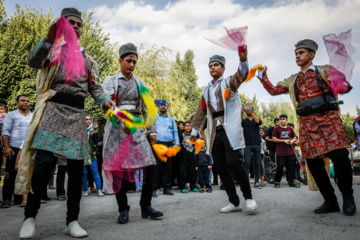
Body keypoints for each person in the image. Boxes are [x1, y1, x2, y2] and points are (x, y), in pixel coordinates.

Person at [17, 8, 115, 239]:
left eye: (79, 24)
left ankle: (72, 221)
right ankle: (30, 217)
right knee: (43, 165)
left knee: (76, 169)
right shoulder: (51, 51)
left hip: (77, 116)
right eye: (70, 22)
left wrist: (105, 101)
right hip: (52, 112)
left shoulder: (89, 60)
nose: (75, 27)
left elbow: (95, 88)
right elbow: (32, 61)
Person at [257, 39, 356, 215]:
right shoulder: (292, 79)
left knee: (340, 155)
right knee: (312, 161)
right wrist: (263, 76)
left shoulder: (325, 70)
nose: (297, 55)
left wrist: (341, 82)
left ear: (312, 54)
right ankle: (330, 200)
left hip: (329, 119)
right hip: (307, 123)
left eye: (301, 52)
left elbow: (344, 88)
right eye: (296, 53)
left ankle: (348, 197)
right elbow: (273, 90)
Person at [102, 43, 163, 224]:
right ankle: (123, 209)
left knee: (150, 164)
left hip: (136, 128)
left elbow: (148, 108)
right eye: (128, 61)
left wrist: (151, 131)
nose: (131, 65)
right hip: (116, 127)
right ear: (120, 60)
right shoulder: (110, 80)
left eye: (134, 62)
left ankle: (146, 206)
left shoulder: (140, 83)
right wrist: (118, 114)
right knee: (117, 168)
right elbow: (107, 101)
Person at [191, 48, 257, 213]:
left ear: (223, 68)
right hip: (214, 132)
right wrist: (194, 130)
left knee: (234, 162)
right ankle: (234, 202)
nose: (212, 67)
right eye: (210, 65)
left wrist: (243, 60)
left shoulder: (229, 82)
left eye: (216, 65)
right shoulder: (206, 90)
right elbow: (201, 111)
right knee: (220, 168)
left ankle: (248, 197)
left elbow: (242, 74)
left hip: (230, 128)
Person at [1, 95, 32, 208]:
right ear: (17, 103)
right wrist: (6, 147)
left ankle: (19, 198)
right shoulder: (11, 115)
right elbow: (5, 131)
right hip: (13, 148)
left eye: (27, 101)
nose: (25, 103)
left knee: (25, 174)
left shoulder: (32, 116)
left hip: (28, 149)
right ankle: (6, 199)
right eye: (23, 101)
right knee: (11, 173)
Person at [153, 100, 179, 196]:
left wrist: (176, 143)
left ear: (167, 108)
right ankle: (154, 188)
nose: (163, 107)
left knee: (168, 167)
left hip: (169, 144)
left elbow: (175, 132)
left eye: (165, 105)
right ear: (158, 107)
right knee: (156, 167)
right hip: (158, 144)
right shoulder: (155, 117)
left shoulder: (171, 119)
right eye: (161, 105)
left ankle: (166, 188)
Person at [272, 114, 299, 188]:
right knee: (280, 167)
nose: (281, 120)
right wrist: (284, 141)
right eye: (280, 119)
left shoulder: (290, 129)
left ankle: (291, 182)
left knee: (291, 167)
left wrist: (292, 141)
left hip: (290, 151)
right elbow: (274, 139)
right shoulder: (276, 129)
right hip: (281, 152)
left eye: (283, 119)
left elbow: (294, 138)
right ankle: (277, 181)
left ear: (286, 120)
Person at [241, 102, 262, 187]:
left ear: (252, 110)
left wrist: (252, 113)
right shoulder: (244, 121)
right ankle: (246, 181)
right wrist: (241, 112)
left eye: (250, 109)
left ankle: (257, 181)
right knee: (246, 163)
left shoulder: (256, 119)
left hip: (257, 144)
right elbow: (239, 123)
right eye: (248, 109)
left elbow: (259, 122)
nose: (249, 110)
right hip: (247, 144)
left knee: (257, 163)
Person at [82, 114, 104, 197]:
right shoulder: (81, 130)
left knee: (95, 172)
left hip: (92, 155)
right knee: (84, 173)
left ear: (91, 121)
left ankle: (99, 190)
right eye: (86, 119)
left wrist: (95, 131)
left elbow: (96, 140)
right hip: (83, 155)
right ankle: (85, 190)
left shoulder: (94, 130)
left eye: (89, 119)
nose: (88, 120)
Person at [179, 121, 198, 193]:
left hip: (192, 156)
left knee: (192, 172)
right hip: (183, 157)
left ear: (191, 127)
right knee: (183, 172)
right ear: (183, 127)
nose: (187, 127)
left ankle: (193, 187)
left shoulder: (193, 136)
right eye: (186, 126)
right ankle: (183, 187)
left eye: (189, 126)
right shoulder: (181, 135)